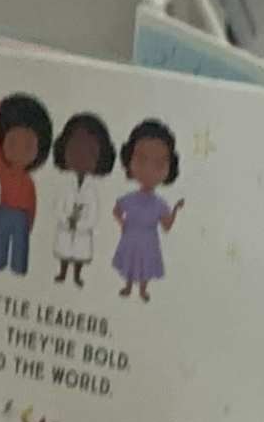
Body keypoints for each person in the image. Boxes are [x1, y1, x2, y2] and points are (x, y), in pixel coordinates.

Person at [111, 120, 185, 302]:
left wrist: (175, 209)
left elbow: (166, 226)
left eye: (158, 165)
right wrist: (122, 224)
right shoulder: (130, 198)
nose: (149, 170)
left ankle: (143, 290)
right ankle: (128, 286)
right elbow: (117, 210)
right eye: (141, 160)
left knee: (145, 267)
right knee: (130, 264)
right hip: (131, 237)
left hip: (149, 240)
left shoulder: (159, 203)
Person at [0, 94, 53, 274]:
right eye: (13, 143)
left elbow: (32, 203)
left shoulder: (28, 181)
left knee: (20, 248)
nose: (20, 150)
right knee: (0, 242)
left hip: (21, 216)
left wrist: (29, 223)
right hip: (5, 211)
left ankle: (18, 267)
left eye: (28, 146)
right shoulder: (3, 170)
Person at [49, 112, 115, 285]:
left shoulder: (91, 191)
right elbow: (58, 206)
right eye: (75, 150)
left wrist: (80, 225)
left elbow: (93, 213)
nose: (82, 157)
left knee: (79, 254)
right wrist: (66, 220)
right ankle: (62, 273)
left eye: (90, 153)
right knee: (64, 252)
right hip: (65, 227)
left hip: (82, 231)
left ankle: (77, 276)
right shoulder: (65, 186)